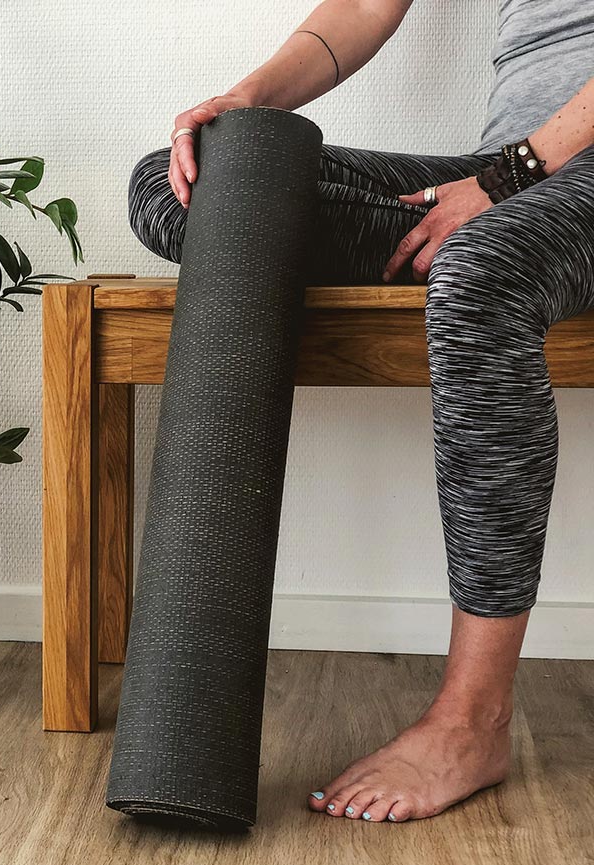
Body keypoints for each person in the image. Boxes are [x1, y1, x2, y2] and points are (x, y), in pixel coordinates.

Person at [128, 0, 594, 823]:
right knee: (200, 183)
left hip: (530, 175)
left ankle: (472, 720)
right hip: (514, 173)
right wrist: (252, 101)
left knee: (480, 272)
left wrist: (511, 177)